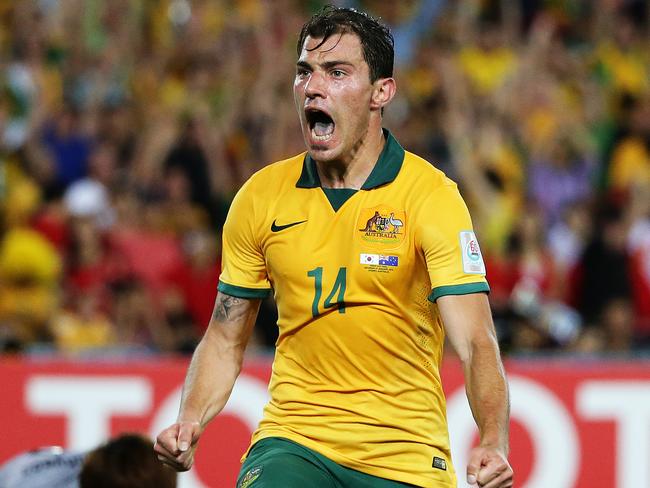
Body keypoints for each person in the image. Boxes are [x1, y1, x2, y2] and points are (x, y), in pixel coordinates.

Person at [155, 6, 513, 488]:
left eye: (337, 72)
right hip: (295, 443)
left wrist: (492, 439)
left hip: (404, 455)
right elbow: (224, 337)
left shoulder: (431, 198)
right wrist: (191, 417)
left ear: (381, 92)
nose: (313, 87)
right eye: (305, 72)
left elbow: (475, 342)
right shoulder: (259, 198)